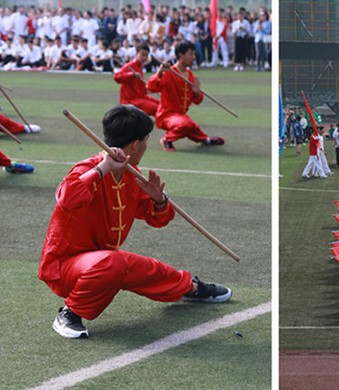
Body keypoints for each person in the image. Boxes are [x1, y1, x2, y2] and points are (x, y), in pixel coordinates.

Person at [38, 105, 232, 339]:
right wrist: (103, 167)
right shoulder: (88, 168)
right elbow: (66, 198)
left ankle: (189, 288)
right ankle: (69, 313)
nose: (147, 146)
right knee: (115, 263)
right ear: (134, 145)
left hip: (103, 262)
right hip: (64, 267)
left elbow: (158, 220)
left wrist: (159, 200)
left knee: (143, 267)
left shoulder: (132, 175)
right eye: (147, 140)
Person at [147, 40, 225, 152]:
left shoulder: (190, 76)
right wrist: (159, 73)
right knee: (186, 124)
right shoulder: (169, 72)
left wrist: (197, 92)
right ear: (181, 56)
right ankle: (166, 139)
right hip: (166, 115)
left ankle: (205, 140)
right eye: (191, 54)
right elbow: (151, 87)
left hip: (180, 116)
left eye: (194, 53)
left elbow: (197, 101)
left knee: (192, 126)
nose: (194, 57)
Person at [113, 43, 159, 116]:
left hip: (139, 98)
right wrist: (132, 75)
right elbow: (116, 77)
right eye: (142, 54)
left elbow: (142, 90)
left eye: (146, 55)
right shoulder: (129, 66)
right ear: (137, 53)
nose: (144, 57)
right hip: (129, 101)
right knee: (155, 108)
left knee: (161, 105)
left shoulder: (139, 67)